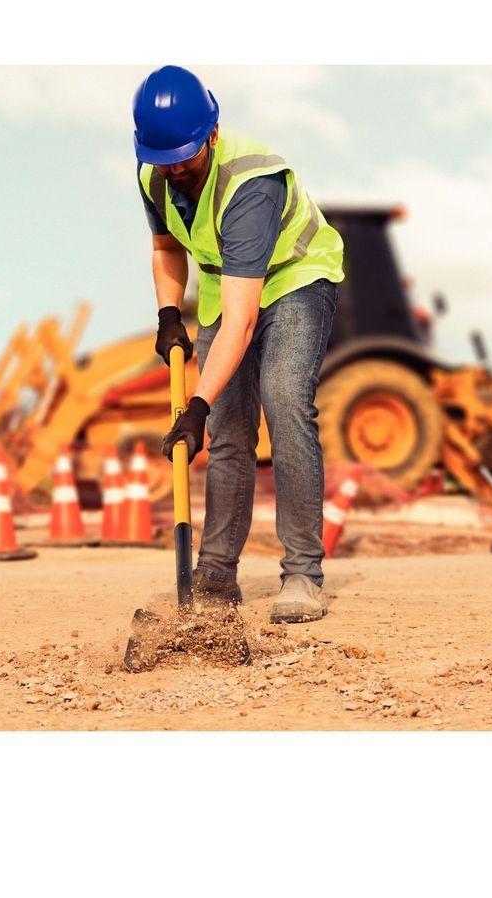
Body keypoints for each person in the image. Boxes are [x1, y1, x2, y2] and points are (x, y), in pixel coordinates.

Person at [133, 65, 344, 623]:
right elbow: (166, 248)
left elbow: (241, 320)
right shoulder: (154, 172)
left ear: (213, 132)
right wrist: (167, 314)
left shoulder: (253, 183)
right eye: (163, 156)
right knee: (228, 431)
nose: (175, 167)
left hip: (295, 279)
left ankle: (302, 572)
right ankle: (216, 574)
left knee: (283, 402)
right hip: (228, 286)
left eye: (186, 154)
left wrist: (196, 404)